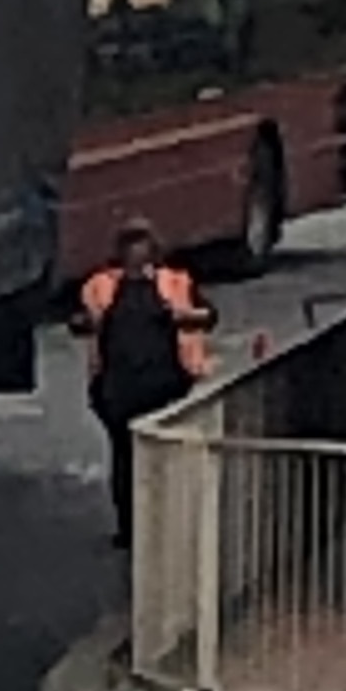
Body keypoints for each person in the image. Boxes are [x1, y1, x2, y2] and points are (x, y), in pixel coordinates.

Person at [75, 215, 214, 546]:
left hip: (167, 385)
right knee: (125, 460)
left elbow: (208, 315)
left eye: (143, 245)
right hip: (119, 388)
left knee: (162, 459)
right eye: (131, 246)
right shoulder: (102, 286)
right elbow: (81, 321)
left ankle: (161, 520)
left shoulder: (175, 282)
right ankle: (129, 526)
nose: (138, 253)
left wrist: (186, 317)